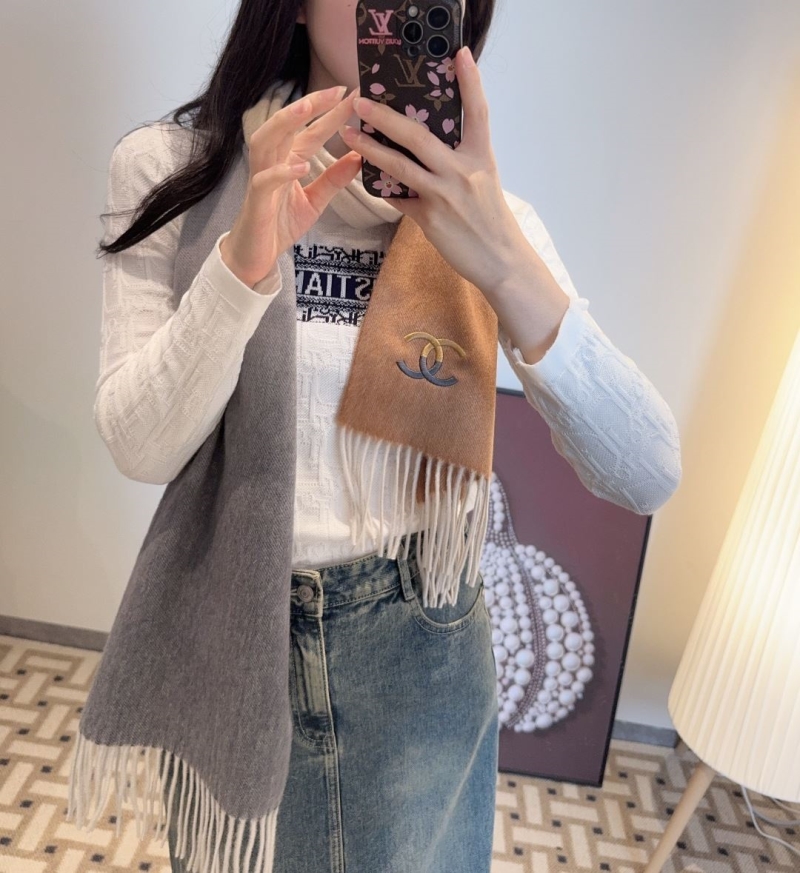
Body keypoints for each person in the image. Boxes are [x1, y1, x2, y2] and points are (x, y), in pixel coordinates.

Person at [92, 1, 681, 871]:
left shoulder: (485, 217)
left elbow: (648, 471)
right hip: (233, 629)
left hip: (420, 654)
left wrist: (502, 258)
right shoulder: (172, 171)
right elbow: (141, 449)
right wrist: (241, 269)